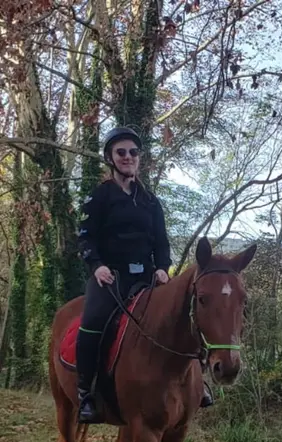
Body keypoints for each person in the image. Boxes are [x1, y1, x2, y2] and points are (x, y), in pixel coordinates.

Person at [76, 126, 213, 423]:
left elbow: (162, 242)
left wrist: (163, 267)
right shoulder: (98, 197)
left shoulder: (151, 201)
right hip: (110, 278)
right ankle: (86, 393)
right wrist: (97, 265)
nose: (128, 157)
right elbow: (85, 238)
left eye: (133, 152)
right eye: (121, 152)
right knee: (92, 323)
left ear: (139, 157)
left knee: (184, 317)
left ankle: (198, 383)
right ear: (110, 158)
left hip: (148, 278)